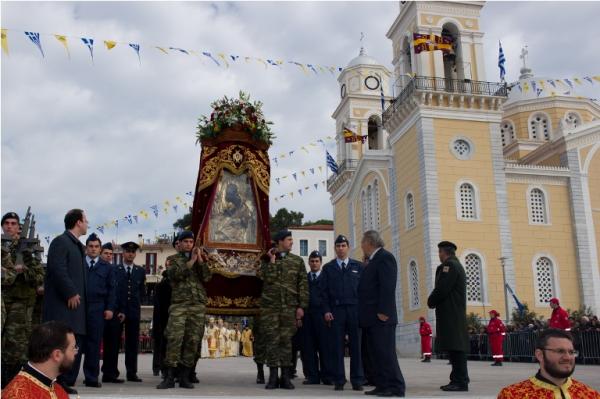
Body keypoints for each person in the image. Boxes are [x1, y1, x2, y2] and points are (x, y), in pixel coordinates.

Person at [157, 231, 211, 389]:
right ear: (179, 244)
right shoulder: (173, 260)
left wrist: (200, 260)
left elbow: (207, 277)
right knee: (175, 339)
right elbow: (175, 275)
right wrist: (191, 261)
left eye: (191, 241)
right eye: (185, 241)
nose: (189, 244)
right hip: (180, 305)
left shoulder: (200, 259)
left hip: (197, 305)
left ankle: (185, 376)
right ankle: (169, 376)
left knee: (192, 341)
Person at [42, 209, 88, 395]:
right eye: (85, 220)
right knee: (58, 343)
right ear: (78, 222)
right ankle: (55, 381)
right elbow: (57, 269)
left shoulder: (77, 245)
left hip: (75, 308)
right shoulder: (60, 242)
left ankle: (62, 382)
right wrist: (70, 292)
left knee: (70, 344)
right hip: (63, 306)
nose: (87, 223)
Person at [258, 230, 309, 390]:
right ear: (279, 242)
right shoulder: (265, 260)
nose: (292, 243)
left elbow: (303, 285)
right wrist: (271, 261)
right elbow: (266, 278)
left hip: (289, 308)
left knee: (287, 342)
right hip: (270, 309)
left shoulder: (297, 261)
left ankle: (286, 377)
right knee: (272, 342)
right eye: (289, 240)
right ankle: (273, 377)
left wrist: (302, 306)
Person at [358, 230, 405, 398]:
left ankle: (396, 386)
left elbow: (387, 286)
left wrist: (384, 311)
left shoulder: (385, 257)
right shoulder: (373, 260)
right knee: (377, 354)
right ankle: (382, 384)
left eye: (363, 242)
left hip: (381, 317)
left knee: (386, 353)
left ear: (370, 242)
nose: (361, 246)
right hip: (371, 318)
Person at [1, 212, 45, 388]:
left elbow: (38, 277)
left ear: (19, 226)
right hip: (2, 299)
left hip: (20, 304)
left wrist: (23, 270)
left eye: (13, 223)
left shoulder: (28, 246)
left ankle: (12, 385)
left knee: (16, 347)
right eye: (7, 223)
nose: (10, 226)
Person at [497, 329, 600, 399]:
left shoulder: (589, 394)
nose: (568, 357)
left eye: (571, 352)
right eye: (560, 351)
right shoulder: (513, 395)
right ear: (540, 355)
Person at [320, 234, 365, 391]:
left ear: (348, 247)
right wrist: (326, 310)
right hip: (336, 311)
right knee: (337, 347)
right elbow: (323, 293)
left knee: (356, 347)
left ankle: (357, 380)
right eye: (338, 246)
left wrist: (363, 311)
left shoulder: (358, 267)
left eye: (343, 245)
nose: (341, 248)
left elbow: (364, 292)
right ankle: (339, 379)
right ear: (335, 248)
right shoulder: (328, 268)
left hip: (355, 310)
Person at [427, 241, 469, 392]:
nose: (439, 255)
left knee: (456, 348)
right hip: (453, 313)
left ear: (444, 252)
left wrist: (431, 300)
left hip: (451, 314)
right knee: (455, 348)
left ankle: (460, 381)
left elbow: (442, 288)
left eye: (440, 252)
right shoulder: (455, 265)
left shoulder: (449, 266)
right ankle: (457, 379)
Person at [75, 233, 116, 388]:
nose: (93, 249)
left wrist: (110, 308)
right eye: (90, 246)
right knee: (76, 343)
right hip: (79, 307)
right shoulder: (78, 264)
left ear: (100, 248)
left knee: (94, 343)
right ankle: (70, 376)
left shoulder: (107, 267)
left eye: (96, 246)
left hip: (98, 307)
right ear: (86, 248)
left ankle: (91, 377)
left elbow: (112, 290)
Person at [102, 241, 145, 383]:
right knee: (112, 342)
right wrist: (117, 308)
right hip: (117, 311)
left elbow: (141, 292)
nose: (130, 254)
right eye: (128, 251)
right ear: (123, 253)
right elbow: (112, 291)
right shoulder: (115, 269)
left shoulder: (140, 271)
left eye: (133, 252)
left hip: (133, 311)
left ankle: (132, 372)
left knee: (132, 343)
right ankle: (110, 373)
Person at [1, 321, 77, 399]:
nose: (76, 352)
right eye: (73, 348)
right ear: (57, 355)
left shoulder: (57, 390)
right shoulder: (18, 394)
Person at [301, 250, 332, 385]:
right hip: (308, 316)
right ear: (309, 262)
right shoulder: (305, 279)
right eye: (312, 261)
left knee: (325, 347)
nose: (314, 263)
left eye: (317, 261)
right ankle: (312, 376)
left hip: (322, 315)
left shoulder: (326, 278)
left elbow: (330, 296)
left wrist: (328, 312)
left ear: (321, 262)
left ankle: (327, 376)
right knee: (309, 348)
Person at [152, 236, 177, 377]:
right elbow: (158, 307)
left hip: (174, 317)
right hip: (163, 318)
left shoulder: (178, 283)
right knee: (161, 344)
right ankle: (159, 367)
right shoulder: (161, 285)